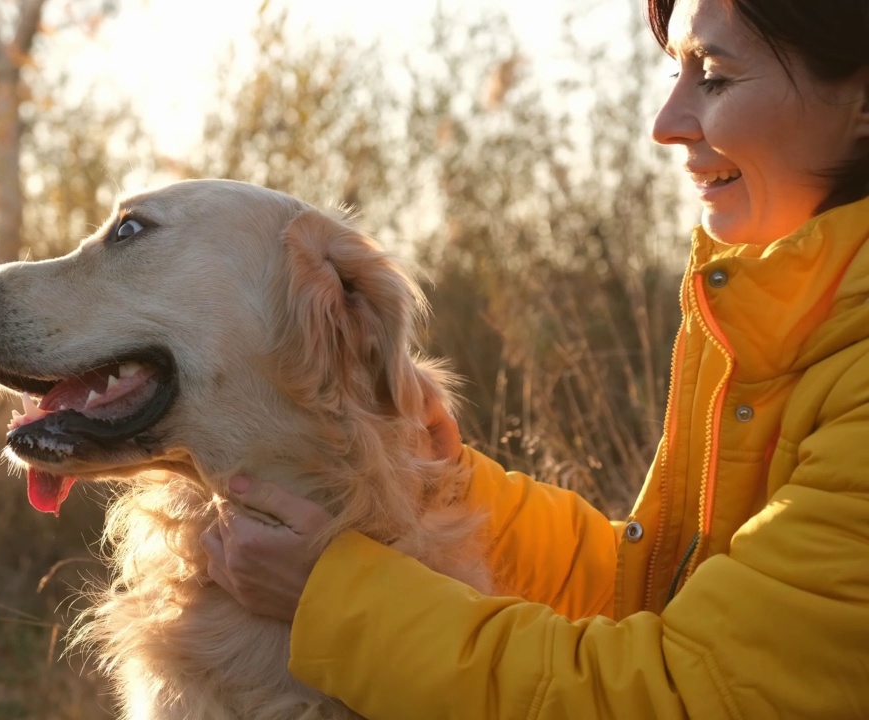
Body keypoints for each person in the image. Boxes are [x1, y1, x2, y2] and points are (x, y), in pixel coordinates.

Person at [200, 0, 869, 717]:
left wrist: (332, 598)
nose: (664, 122)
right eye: (675, 70)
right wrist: (452, 489)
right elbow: (657, 592)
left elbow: (685, 694)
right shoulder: (783, 315)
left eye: (714, 76)